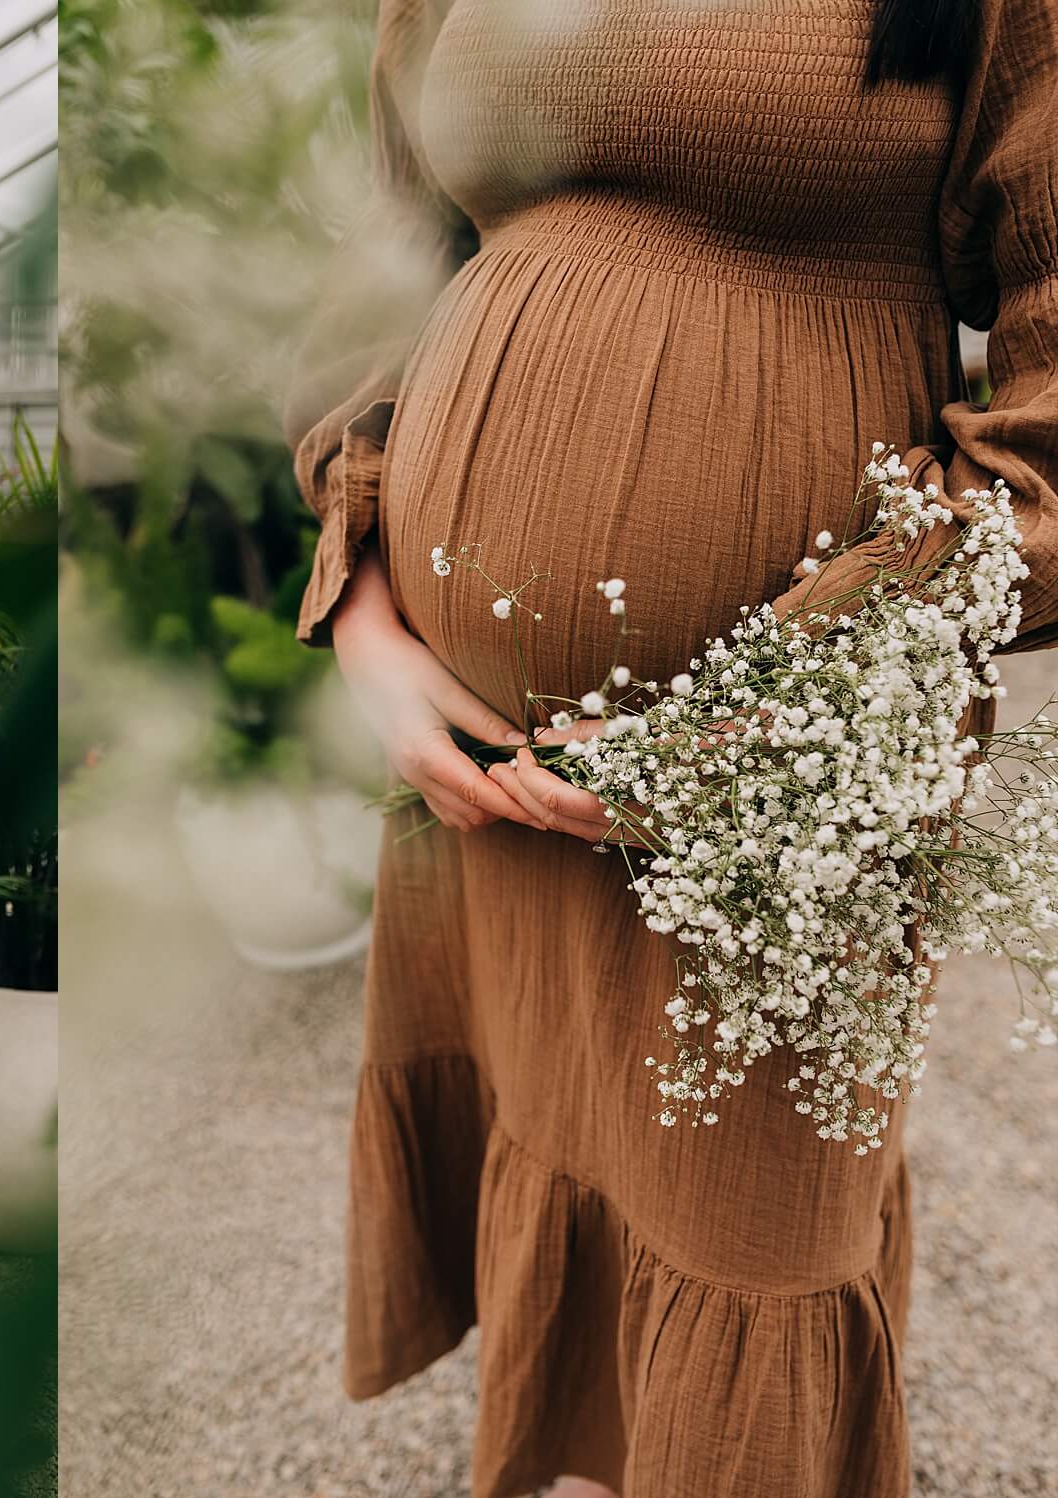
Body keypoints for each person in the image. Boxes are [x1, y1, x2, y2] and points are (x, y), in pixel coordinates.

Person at [283, 2, 1058, 1495]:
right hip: (472, 764)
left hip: (795, 785)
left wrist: (783, 706)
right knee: (556, 1120)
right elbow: (383, 254)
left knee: (751, 1223)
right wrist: (368, 611)